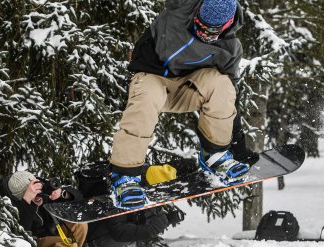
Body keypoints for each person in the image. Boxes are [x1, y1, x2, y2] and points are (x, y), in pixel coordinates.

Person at [108, 0, 258, 209]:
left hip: (186, 91)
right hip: (151, 79)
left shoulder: (230, 49)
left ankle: (214, 155)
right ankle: (125, 176)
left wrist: (237, 146)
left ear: (225, 26)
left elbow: (231, 99)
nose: (203, 33)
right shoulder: (183, 5)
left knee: (222, 85)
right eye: (200, 25)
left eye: (211, 31)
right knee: (148, 96)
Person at [0, 171, 92, 247]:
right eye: (33, 193)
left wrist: (62, 193)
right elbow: (19, 239)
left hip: (48, 233)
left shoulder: (39, 186)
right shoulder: (4, 205)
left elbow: (78, 197)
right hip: (31, 245)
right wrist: (28, 203)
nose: (39, 195)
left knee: (79, 224)